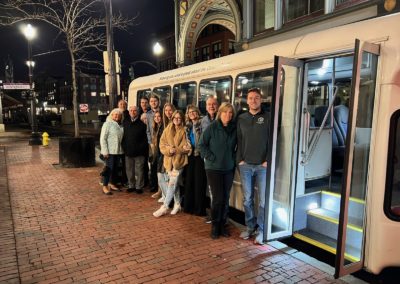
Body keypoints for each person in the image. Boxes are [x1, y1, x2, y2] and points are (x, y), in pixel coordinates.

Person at [237, 88, 270, 245]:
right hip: (245, 165)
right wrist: (240, 160)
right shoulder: (241, 118)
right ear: (247, 101)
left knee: (263, 201)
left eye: (257, 98)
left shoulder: (268, 117)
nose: (253, 100)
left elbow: (274, 139)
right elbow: (238, 140)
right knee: (247, 199)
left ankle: (262, 231)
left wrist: (268, 160)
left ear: (261, 100)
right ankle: (250, 226)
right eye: (250, 98)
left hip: (262, 166)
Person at [198, 102, 237, 239]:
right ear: (220, 113)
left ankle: (223, 225)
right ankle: (215, 225)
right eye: (225, 112)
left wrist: (233, 158)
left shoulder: (234, 128)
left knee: (225, 198)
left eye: (230, 113)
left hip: (228, 168)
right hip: (213, 168)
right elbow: (201, 145)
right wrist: (211, 157)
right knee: (217, 199)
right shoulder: (212, 127)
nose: (228, 115)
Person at [153, 110, 191, 217]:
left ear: (182, 119)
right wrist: (169, 150)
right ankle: (177, 204)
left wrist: (175, 149)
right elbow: (162, 145)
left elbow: (187, 148)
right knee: (175, 184)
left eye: (179, 118)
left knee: (172, 183)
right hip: (168, 161)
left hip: (179, 162)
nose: (177, 120)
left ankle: (165, 207)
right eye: (175, 118)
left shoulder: (185, 130)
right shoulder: (167, 129)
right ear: (172, 118)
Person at [183, 105, 207, 216]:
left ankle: (199, 209)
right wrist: (186, 147)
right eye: (189, 112)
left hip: (200, 156)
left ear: (197, 112)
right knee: (190, 181)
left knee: (199, 183)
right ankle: (189, 207)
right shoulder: (187, 126)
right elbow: (187, 141)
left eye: (193, 111)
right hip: (190, 155)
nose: (192, 113)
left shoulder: (202, 123)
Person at [151, 102, 176, 199]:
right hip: (163, 153)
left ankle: (168, 198)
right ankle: (165, 195)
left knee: (168, 177)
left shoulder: (174, 122)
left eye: (170, 110)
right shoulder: (164, 124)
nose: (168, 112)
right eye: (166, 110)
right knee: (162, 175)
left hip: (171, 154)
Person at [201, 96, 219, 223]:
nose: (211, 106)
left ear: (217, 105)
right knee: (212, 189)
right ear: (206, 106)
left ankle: (219, 217)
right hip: (208, 159)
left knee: (219, 190)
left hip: (220, 159)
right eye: (209, 104)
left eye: (214, 104)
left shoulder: (222, 119)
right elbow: (202, 141)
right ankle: (214, 215)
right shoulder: (203, 121)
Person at [122, 106, 148, 194]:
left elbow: (145, 139)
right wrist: (124, 148)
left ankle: (139, 186)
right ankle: (131, 185)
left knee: (139, 170)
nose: (133, 112)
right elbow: (123, 137)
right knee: (129, 170)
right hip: (128, 151)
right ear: (129, 112)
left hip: (139, 152)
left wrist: (141, 148)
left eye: (135, 111)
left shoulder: (142, 124)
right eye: (131, 111)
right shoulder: (125, 122)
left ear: (137, 112)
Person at [99, 108, 124, 195]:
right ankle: (105, 186)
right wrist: (105, 151)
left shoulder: (120, 125)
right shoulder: (107, 124)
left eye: (119, 115)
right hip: (109, 151)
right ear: (111, 115)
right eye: (115, 114)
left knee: (115, 169)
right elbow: (103, 138)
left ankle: (112, 184)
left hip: (118, 151)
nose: (117, 116)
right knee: (108, 169)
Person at [150, 111, 167, 202]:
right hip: (157, 153)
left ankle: (163, 193)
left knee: (162, 174)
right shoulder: (156, 127)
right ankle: (161, 192)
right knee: (159, 173)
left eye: (159, 116)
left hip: (163, 153)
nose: (157, 118)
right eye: (155, 116)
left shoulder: (164, 127)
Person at [146, 94, 161, 192]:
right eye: (151, 101)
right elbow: (147, 130)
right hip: (152, 144)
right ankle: (153, 186)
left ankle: (161, 188)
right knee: (153, 165)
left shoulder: (162, 112)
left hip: (161, 141)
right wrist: (150, 142)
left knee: (161, 165)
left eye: (155, 101)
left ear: (158, 102)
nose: (153, 103)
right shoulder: (147, 114)